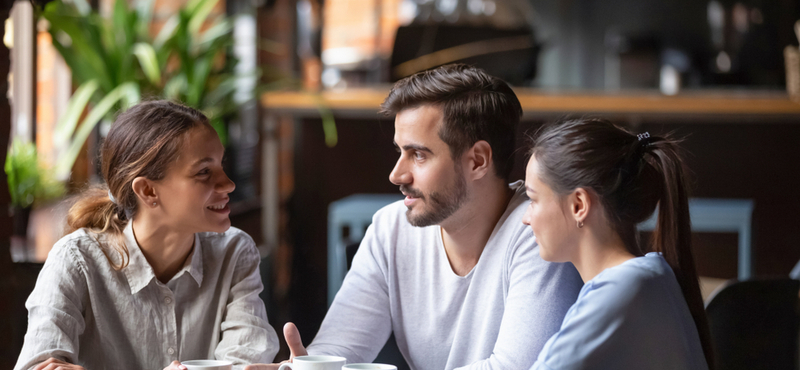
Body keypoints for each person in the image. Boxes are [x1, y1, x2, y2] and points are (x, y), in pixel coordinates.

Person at [248, 64, 583, 370]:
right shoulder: (390, 228)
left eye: (418, 155)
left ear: (478, 161)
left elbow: (515, 368)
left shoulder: (538, 230)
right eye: (399, 151)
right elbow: (341, 351)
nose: (397, 175)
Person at [15, 101, 279, 370]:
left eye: (221, 165)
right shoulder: (75, 260)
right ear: (148, 191)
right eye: (204, 172)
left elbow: (243, 361)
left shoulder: (234, 252)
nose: (228, 184)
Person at [522, 118, 713, 369]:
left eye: (533, 199)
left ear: (579, 205)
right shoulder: (647, 278)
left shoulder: (621, 290)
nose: (526, 218)